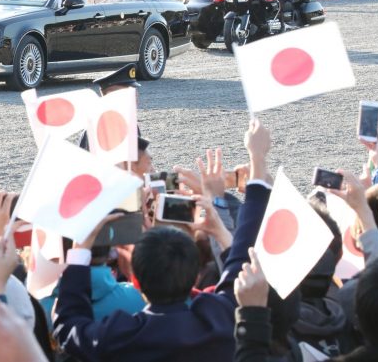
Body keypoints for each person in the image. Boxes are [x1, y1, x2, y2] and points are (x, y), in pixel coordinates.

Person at [53, 119, 274, 362]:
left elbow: (68, 326)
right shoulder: (220, 316)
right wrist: (257, 161)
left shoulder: (119, 336)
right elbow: (243, 257)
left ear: (135, 278)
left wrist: (80, 246)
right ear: (195, 274)